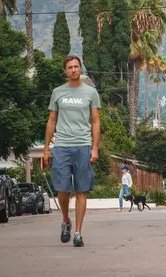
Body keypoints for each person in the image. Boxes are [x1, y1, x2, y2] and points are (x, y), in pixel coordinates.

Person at [43, 54, 101, 247]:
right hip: (62, 146)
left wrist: (94, 148)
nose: (74, 70)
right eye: (70, 67)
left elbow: (95, 121)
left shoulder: (90, 93)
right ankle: (66, 220)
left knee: (82, 190)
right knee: (62, 189)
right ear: (65, 71)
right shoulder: (58, 92)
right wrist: (46, 149)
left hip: (83, 145)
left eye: (76, 67)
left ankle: (78, 232)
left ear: (80, 68)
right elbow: (51, 120)